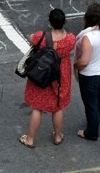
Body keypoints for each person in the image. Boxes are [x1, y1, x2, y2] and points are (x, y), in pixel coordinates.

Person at [17, 9, 76, 148]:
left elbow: (31, 38)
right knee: (57, 107)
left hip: (42, 73)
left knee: (37, 107)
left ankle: (30, 139)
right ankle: (57, 136)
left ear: (50, 23)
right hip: (60, 76)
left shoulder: (41, 36)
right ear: (64, 22)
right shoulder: (70, 39)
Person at [73, 2, 100, 141]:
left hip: (91, 77)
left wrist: (75, 65)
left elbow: (84, 62)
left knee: (90, 104)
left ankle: (91, 132)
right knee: (99, 96)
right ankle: (97, 116)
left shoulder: (88, 37)